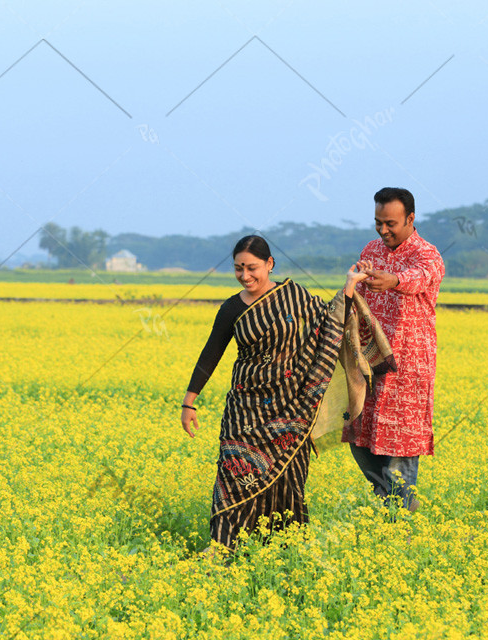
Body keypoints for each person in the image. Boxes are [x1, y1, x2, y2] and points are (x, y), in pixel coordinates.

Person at [181, 235, 390, 552]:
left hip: (294, 408)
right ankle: (224, 548)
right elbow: (211, 353)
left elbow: (330, 322)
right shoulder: (231, 309)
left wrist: (349, 286)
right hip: (244, 412)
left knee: (289, 483)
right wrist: (189, 402)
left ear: (270, 264)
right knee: (233, 477)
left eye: (252, 268)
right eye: (238, 269)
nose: (246, 276)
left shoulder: (296, 298)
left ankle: (284, 551)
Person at [343, 187, 445, 510]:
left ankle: (400, 527)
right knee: (360, 440)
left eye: (390, 223)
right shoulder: (371, 250)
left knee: (399, 450)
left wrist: (393, 280)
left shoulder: (428, 255)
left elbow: (418, 278)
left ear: (410, 219)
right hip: (370, 364)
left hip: (408, 371)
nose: (383, 230)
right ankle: (395, 503)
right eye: (378, 222)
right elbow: (359, 297)